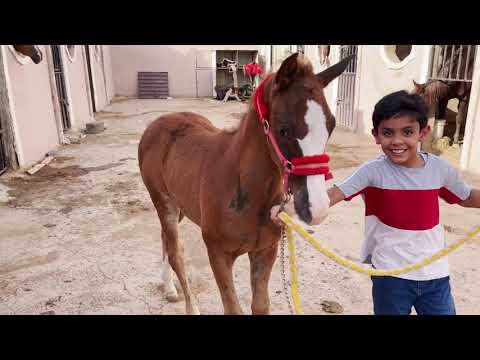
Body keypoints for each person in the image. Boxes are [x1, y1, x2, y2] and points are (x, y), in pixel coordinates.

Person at [273, 90, 480, 315]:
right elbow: (333, 195)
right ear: (376, 135)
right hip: (390, 276)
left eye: (408, 132)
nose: (397, 141)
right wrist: (289, 209)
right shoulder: (372, 172)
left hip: (435, 275)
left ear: (423, 132)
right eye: (388, 133)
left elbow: (466, 197)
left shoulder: (441, 170)